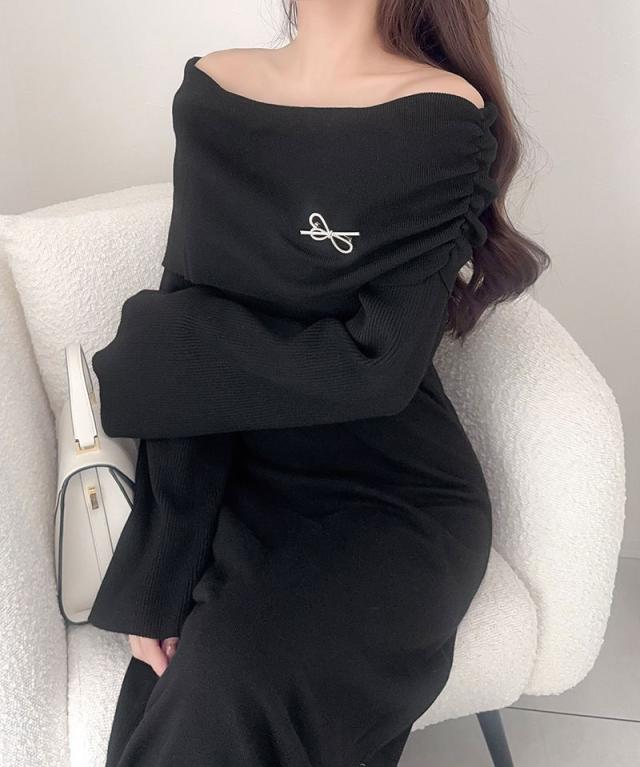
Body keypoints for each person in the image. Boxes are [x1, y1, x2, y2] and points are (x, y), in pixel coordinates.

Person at [87, 2, 550, 765]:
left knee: (230, 687)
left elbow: (374, 366)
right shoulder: (213, 94)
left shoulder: (441, 119)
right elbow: (188, 346)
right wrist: (160, 568)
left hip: (391, 503)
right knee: (180, 694)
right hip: (242, 486)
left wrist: (162, 348)